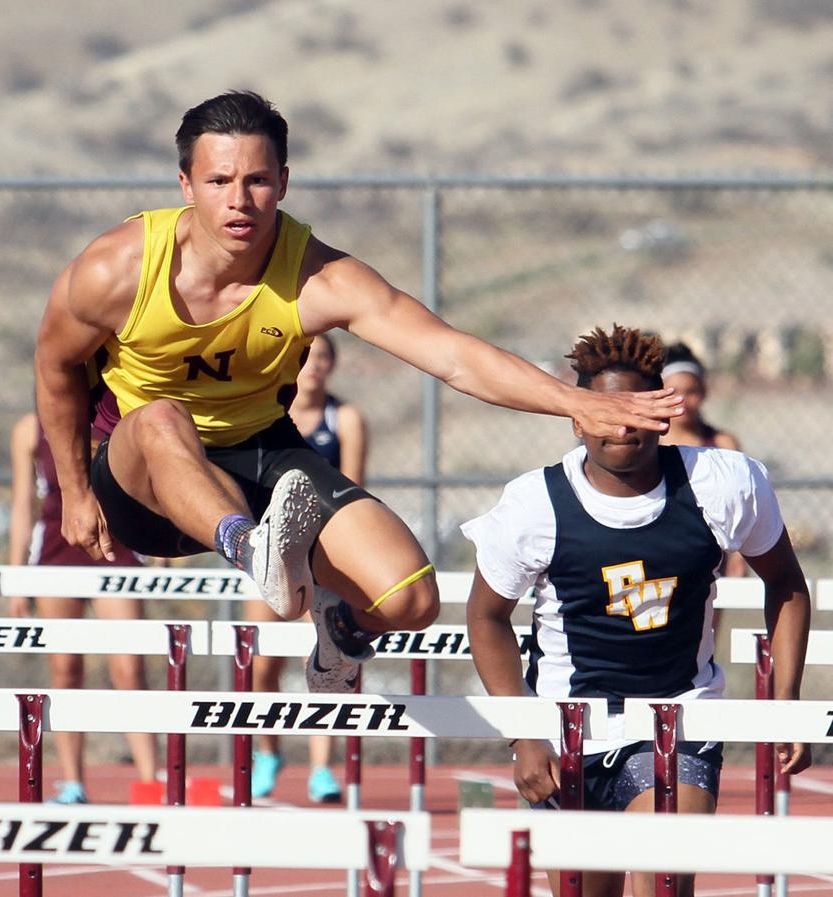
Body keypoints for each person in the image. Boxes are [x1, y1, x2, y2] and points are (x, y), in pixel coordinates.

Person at [34, 90, 683, 698]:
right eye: (219, 181)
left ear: (284, 182)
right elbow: (55, 366)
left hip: (259, 453)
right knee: (160, 417)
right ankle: (252, 548)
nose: (240, 200)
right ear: (186, 185)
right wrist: (73, 490)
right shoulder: (116, 268)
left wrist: (576, 401)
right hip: (142, 482)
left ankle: (339, 634)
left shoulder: (317, 275)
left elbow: (453, 356)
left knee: (410, 599)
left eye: (258, 180)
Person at [463, 325, 810, 897]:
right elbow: (486, 617)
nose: (620, 425)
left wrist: (785, 701)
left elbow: (788, 586)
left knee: (663, 881)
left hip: (679, 716)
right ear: (576, 418)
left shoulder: (721, 482)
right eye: (604, 411)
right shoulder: (533, 504)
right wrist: (523, 735)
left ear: (664, 414)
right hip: (566, 729)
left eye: (635, 410)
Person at [7, 411, 158, 804]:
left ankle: (150, 783)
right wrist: (16, 576)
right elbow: (23, 504)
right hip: (58, 551)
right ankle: (73, 781)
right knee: (64, 669)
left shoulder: (121, 413)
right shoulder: (30, 428)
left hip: (118, 547)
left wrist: (161, 546)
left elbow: (153, 479)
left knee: (129, 669)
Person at [248, 333, 366, 802]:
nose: (314, 366)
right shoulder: (265, 415)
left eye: (323, 358)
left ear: (332, 366)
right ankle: (268, 754)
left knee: (320, 657)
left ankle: (321, 768)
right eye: (307, 357)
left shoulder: (346, 418)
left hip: (326, 556)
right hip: (269, 551)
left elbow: (355, 489)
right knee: (260, 662)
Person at [659, 340, 746, 577]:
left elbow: (739, 503)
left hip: (713, 551)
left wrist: (739, 554)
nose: (683, 401)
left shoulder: (722, 443)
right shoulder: (650, 444)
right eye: (674, 392)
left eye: (691, 392)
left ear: (704, 392)